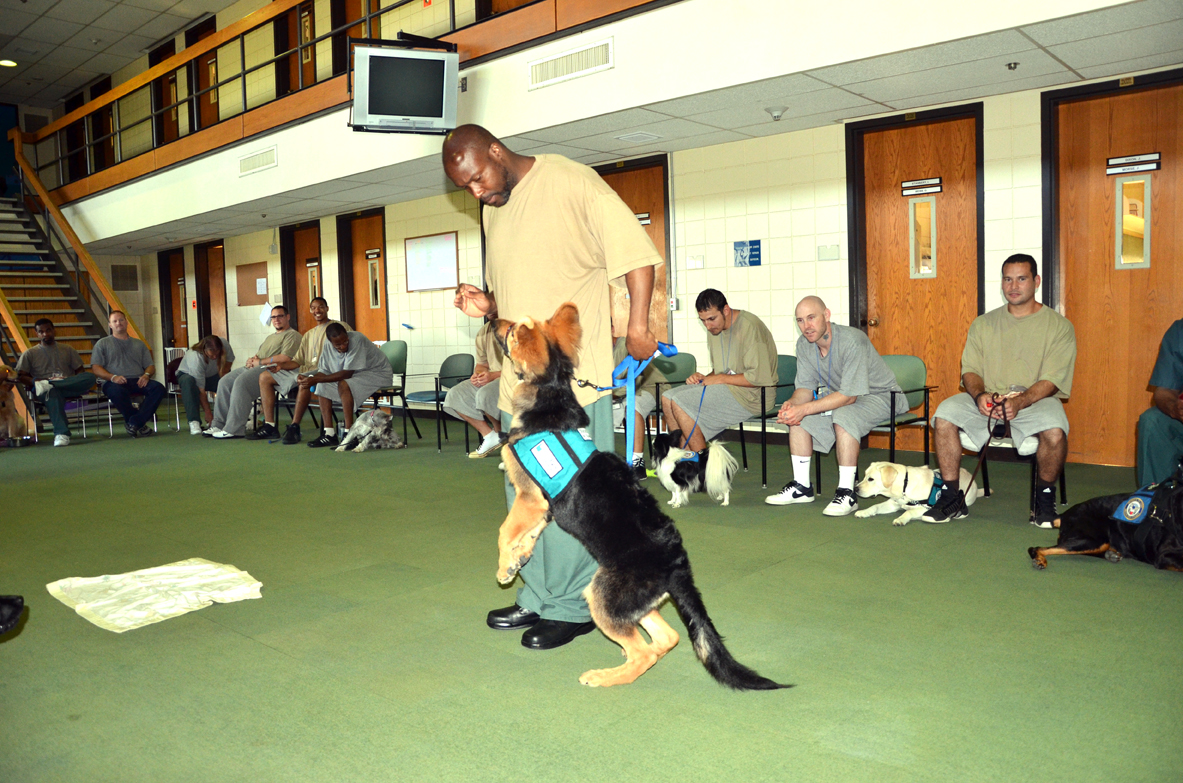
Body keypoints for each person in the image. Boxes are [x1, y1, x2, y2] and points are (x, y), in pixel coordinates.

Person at [443, 124, 661, 651]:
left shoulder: (569, 180)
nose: (476, 192)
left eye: (477, 179)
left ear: (496, 151)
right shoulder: (494, 207)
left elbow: (637, 255)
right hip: (519, 387)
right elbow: (518, 291)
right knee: (525, 492)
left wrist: (636, 326)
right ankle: (538, 596)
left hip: (569, 389)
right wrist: (486, 304)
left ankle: (570, 607)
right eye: (466, 187)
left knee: (570, 498)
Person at [924, 254, 1077, 527]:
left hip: (1035, 400)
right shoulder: (983, 324)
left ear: (1036, 281)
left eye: (1021, 278)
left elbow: (1053, 379)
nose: (1013, 286)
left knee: (1055, 431)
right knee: (944, 414)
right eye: (1008, 279)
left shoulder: (1058, 326)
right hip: (988, 399)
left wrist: (1021, 402)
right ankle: (950, 497)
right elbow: (970, 370)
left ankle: (1043, 502)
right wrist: (980, 395)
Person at [765, 296, 908, 516]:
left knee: (844, 415)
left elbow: (849, 397)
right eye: (800, 320)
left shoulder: (853, 340)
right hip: (844, 397)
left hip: (881, 396)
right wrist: (792, 406)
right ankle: (802, 487)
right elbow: (804, 388)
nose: (806, 326)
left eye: (811, 318)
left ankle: (847, 493)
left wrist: (804, 408)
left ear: (827, 315)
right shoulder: (804, 344)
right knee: (799, 418)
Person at [660, 289, 778, 455]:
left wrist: (719, 378)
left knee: (680, 401)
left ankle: (702, 463)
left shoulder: (750, 327)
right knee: (667, 398)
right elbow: (722, 370)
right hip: (729, 388)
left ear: (726, 310)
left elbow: (758, 378)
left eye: (711, 319)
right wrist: (704, 378)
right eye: (703, 321)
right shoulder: (715, 329)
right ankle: (685, 457)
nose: (708, 326)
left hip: (754, 396)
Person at [256, 297, 350, 443]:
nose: (317, 310)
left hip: (327, 369)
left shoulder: (339, 326)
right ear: (311, 310)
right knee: (264, 376)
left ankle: (294, 426)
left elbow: (347, 347)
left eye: (320, 307)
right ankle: (270, 425)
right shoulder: (308, 334)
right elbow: (297, 361)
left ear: (327, 308)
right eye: (313, 308)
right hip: (305, 369)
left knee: (305, 380)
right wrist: (281, 367)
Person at [284, 324, 390, 448]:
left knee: (343, 383)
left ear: (347, 335)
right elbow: (324, 370)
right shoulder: (328, 345)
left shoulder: (357, 339)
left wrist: (317, 379)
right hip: (358, 374)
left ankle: (350, 435)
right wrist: (311, 378)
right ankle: (329, 434)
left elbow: (347, 373)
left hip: (378, 374)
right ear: (331, 342)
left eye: (345, 341)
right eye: (338, 345)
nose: (343, 346)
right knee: (322, 385)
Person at [207, 306, 301, 439]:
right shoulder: (270, 337)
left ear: (288, 317)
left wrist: (260, 362)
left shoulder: (293, 335)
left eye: (280, 316)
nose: (276, 320)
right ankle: (218, 424)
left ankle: (234, 429)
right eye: (273, 317)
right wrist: (252, 360)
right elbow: (260, 355)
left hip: (271, 369)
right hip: (256, 366)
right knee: (224, 382)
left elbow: (285, 358)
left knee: (241, 383)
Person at [15, 318, 96, 446]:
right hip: (43, 390)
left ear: (54, 331)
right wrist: (37, 381)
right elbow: (20, 376)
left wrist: (64, 381)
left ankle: (51, 384)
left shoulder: (67, 349)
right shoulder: (30, 353)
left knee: (90, 377)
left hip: (66, 384)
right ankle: (61, 434)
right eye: (41, 332)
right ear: (37, 334)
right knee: (51, 393)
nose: (45, 334)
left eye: (48, 330)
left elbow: (80, 371)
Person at [91, 310, 166, 438]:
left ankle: (134, 422)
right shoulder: (102, 344)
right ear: (110, 325)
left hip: (137, 379)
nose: (118, 323)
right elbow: (96, 368)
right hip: (113, 381)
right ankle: (139, 423)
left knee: (158, 388)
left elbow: (150, 366)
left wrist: (146, 375)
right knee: (117, 392)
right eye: (114, 321)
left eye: (121, 320)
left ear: (126, 322)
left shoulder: (139, 344)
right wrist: (112, 377)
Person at [442, 313, 505, 459]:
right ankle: (490, 436)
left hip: (513, 378)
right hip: (492, 378)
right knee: (455, 393)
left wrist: (494, 375)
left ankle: (503, 433)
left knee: (484, 393)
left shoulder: (517, 327)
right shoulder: (484, 331)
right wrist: (479, 374)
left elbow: (523, 366)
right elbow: (482, 364)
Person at [611, 333, 666, 479]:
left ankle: (637, 464)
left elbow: (633, 380)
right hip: (622, 392)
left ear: (611, 329)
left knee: (632, 406)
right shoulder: (598, 351)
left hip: (651, 387)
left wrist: (608, 395)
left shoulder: (627, 345)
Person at [1138, 319, 1183, 486]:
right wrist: (1175, 408)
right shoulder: (1180, 331)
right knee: (1152, 421)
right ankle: (1157, 501)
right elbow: (1163, 391)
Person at [175, 335, 234, 434]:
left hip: (211, 375)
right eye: (211, 356)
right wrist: (208, 413)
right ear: (204, 350)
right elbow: (201, 390)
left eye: (217, 354)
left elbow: (229, 360)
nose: (214, 357)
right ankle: (194, 422)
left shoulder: (224, 343)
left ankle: (231, 418)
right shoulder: (195, 356)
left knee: (229, 382)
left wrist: (223, 376)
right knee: (189, 383)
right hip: (188, 375)